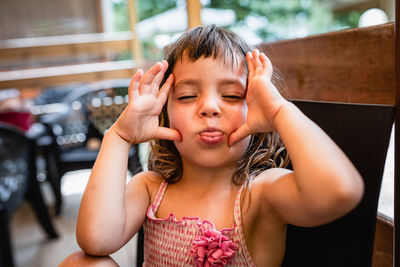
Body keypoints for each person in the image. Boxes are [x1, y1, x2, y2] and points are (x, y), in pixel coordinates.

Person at [60, 25, 364, 267]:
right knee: (82, 264)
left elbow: (340, 191)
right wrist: (119, 136)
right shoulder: (150, 188)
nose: (209, 107)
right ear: (165, 114)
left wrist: (279, 111)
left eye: (232, 96)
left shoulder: (260, 194)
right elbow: (95, 240)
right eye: (188, 96)